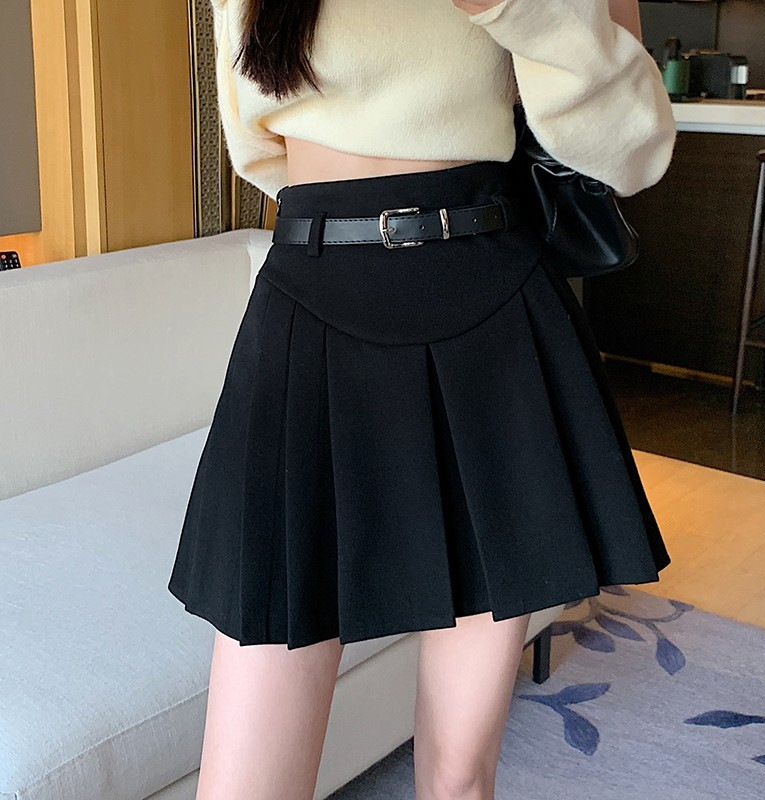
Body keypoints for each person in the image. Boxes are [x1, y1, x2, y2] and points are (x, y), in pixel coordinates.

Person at [167, 1, 676, 798]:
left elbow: (632, 150)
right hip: (314, 301)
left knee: (460, 776)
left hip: (491, 308)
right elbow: (255, 142)